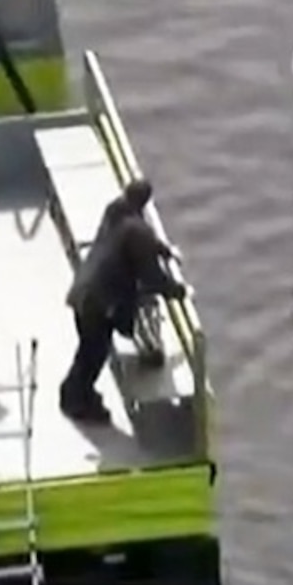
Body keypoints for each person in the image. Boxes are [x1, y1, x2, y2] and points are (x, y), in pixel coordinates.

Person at [61, 178, 182, 423]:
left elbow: (142, 242)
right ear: (146, 203)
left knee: (88, 351)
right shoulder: (138, 231)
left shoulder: (115, 210)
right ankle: (75, 401)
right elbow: (153, 278)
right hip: (100, 303)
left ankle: (77, 394)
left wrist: (163, 249)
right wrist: (179, 291)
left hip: (85, 290)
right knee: (92, 354)